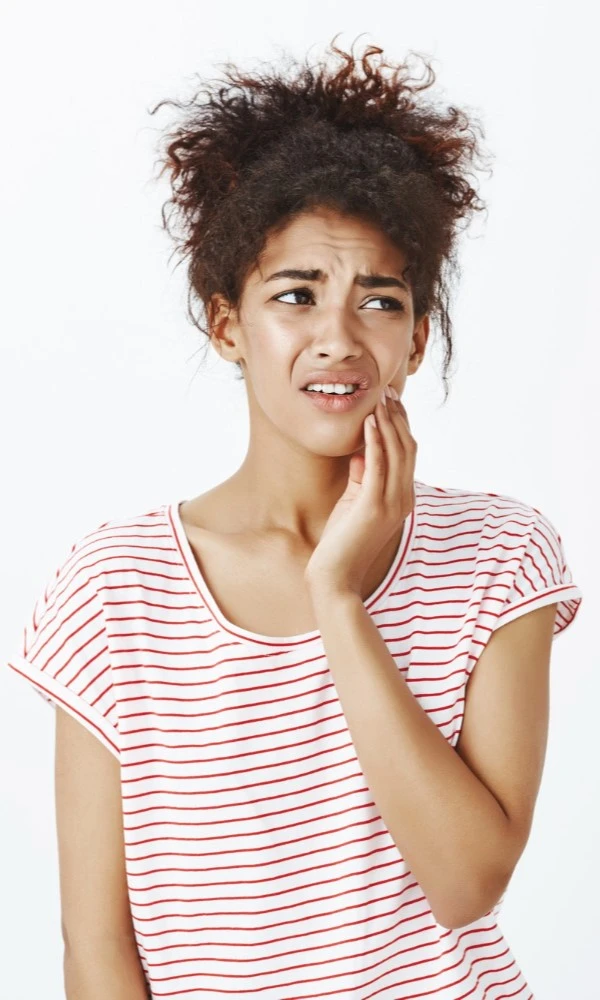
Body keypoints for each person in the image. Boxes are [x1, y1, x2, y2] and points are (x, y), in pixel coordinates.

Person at [6, 37, 583, 1000]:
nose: (337, 339)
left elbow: (465, 882)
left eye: (380, 301)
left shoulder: (500, 556)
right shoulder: (116, 590)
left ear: (417, 338)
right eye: (296, 295)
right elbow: (98, 952)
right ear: (227, 324)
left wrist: (340, 602)